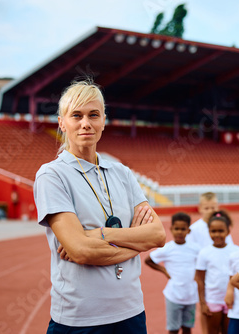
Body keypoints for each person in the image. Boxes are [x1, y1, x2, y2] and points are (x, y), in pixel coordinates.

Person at [33, 79, 166, 333]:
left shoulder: (122, 173)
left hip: (132, 313)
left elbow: (158, 236)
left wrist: (102, 235)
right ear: (62, 122)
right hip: (79, 320)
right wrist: (135, 245)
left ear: (103, 120)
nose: (86, 123)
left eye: (93, 115)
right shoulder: (52, 175)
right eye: (76, 115)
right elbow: (81, 251)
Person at [145, 212, 200, 334]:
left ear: (188, 231)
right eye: (176, 229)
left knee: (187, 328)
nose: (179, 232)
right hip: (173, 296)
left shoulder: (196, 249)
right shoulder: (167, 249)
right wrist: (164, 271)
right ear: (171, 229)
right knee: (173, 329)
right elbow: (148, 260)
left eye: (183, 229)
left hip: (191, 296)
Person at [195, 211, 239, 334]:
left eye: (221, 231)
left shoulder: (236, 251)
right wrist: (203, 303)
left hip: (231, 301)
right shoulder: (204, 253)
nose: (217, 235)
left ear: (228, 231)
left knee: (228, 331)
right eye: (213, 231)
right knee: (212, 331)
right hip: (212, 300)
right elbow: (199, 279)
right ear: (208, 232)